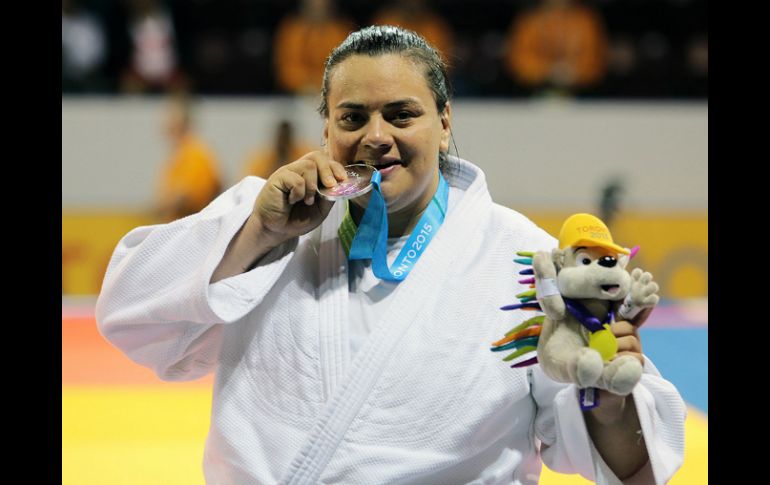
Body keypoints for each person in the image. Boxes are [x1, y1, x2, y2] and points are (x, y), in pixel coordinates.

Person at [96, 26, 685, 484]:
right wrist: (259, 234)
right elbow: (128, 314)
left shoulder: (525, 258)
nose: (376, 136)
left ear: (445, 123)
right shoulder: (266, 222)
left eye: (402, 114)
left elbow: (629, 463)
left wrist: (608, 405)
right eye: (352, 117)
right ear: (326, 129)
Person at [504, 0, 608, 94]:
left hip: (584, 95)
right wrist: (548, 71)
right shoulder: (530, 21)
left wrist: (573, 72)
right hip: (532, 93)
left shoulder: (586, 20)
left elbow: (595, 57)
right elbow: (519, 59)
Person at [155, 94, 222, 222]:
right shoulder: (179, 155)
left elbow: (188, 195)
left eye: (169, 117)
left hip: (191, 229)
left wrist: (161, 206)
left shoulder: (195, 153)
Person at [240, 119, 316, 180]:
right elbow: (253, 182)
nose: (283, 142)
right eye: (281, 138)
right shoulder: (261, 159)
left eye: (286, 138)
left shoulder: (306, 155)